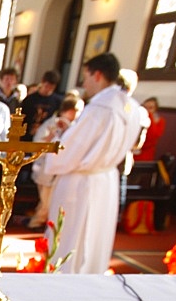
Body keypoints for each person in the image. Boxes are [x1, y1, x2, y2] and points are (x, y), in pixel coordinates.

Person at [42, 53, 143, 274]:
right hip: (106, 180)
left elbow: (70, 152)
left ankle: (64, 280)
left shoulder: (100, 108)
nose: (84, 83)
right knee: (96, 239)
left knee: (74, 240)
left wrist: (56, 141)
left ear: (97, 75)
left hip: (82, 183)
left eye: (85, 76)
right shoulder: (132, 106)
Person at [28, 94, 83, 229]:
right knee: (47, 201)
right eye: (77, 110)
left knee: (56, 202)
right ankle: (36, 223)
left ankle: (46, 225)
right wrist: (52, 137)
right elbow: (38, 144)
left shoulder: (76, 126)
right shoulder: (52, 123)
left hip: (64, 170)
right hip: (47, 168)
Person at [19, 70, 63, 141]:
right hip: (27, 136)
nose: (48, 89)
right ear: (42, 82)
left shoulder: (57, 101)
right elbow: (22, 118)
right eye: (46, 86)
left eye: (51, 87)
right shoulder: (30, 99)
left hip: (45, 136)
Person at [136, 97, 165, 162]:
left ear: (155, 109)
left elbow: (153, 136)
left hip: (146, 153)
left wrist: (150, 117)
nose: (147, 110)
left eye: (151, 108)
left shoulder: (159, 121)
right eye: (145, 107)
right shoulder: (136, 118)